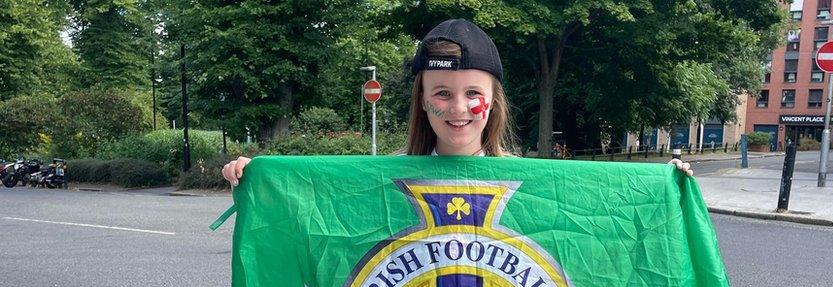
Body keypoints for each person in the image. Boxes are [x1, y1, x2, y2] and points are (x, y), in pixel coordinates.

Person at [221, 19, 692, 184]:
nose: (458, 108)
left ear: (494, 102)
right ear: (422, 103)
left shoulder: (531, 181)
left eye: (473, 95)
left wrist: (665, 186)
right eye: (441, 94)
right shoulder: (387, 179)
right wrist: (256, 176)